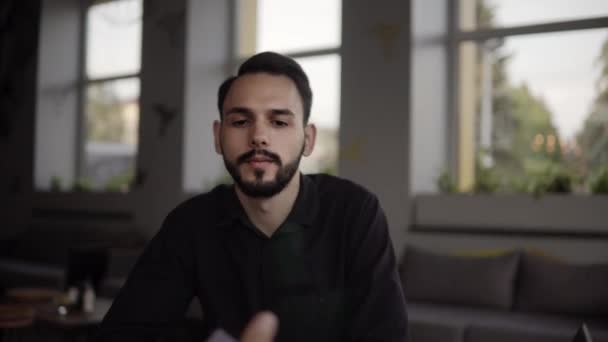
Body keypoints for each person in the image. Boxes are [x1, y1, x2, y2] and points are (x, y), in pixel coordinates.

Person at [97, 51, 408, 342]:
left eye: (279, 122)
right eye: (241, 121)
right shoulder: (191, 223)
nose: (258, 135)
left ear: (308, 140)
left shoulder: (355, 213)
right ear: (218, 137)